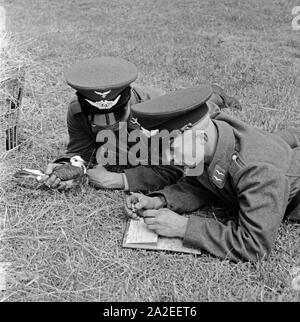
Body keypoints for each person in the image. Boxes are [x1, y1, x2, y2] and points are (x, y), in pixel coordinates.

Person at [124, 88, 300, 262]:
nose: (168, 158)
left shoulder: (258, 171)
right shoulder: (211, 135)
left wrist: (183, 227)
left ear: (201, 139)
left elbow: (254, 246)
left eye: (172, 149)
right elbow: (203, 185)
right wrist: (159, 201)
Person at [41, 56, 241, 192]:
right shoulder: (77, 112)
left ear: (128, 103)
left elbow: (177, 167)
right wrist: (67, 167)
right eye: (98, 119)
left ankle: (216, 94)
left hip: (172, 111)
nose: (108, 125)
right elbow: (81, 151)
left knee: (205, 108)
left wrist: (120, 180)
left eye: (116, 115)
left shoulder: (156, 113)